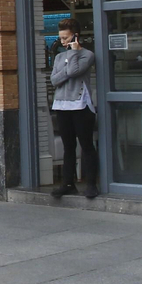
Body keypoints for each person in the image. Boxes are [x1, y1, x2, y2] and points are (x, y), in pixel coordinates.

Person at [49, 17, 97, 199]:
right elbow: (54, 80)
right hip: (61, 105)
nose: (62, 42)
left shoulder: (87, 55)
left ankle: (91, 184)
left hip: (80, 104)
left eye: (66, 38)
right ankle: (68, 184)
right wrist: (67, 67)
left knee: (86, 145)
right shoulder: (59, 57)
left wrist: (74, 53)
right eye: (60, 38)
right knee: (68, 147)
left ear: (76, 36)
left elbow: (73, 71)